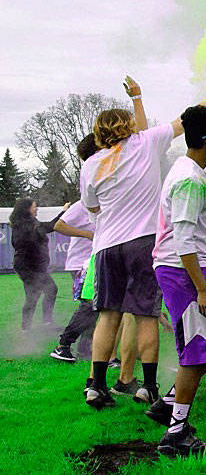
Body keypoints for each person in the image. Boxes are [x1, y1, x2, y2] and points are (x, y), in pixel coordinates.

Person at [81, 76, 184, 409]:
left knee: (107, 316)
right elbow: (183, 123)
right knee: (146, 316)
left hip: (107, 245)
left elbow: (92, 206)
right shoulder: (146, 142)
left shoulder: (91, 165)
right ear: (128, 127)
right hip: (143, 242)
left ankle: (96, 386)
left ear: (99, 133)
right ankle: (148, 387)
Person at [147, 104, 206, 456]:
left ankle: (170, 401)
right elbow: (182, 240)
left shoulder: (193, 174)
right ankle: (177, 433)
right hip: (183, 271)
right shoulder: (187, 179)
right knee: (197, 350)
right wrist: (201, 288)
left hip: (198, 269)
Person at [50, 134, 103, 362]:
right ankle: (63, 344)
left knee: (97, 306)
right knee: (90, 304)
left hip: (92, 261)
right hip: (81, 263)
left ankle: (86, 349)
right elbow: (58, 225)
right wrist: (88, 234)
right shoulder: (84, 204)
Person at [9, 198, 73, 329]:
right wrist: (64, 212)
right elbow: (50, 227)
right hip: (30, 267)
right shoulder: (28, 225)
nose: (36, 209)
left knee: (34, 295)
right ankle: (45, 323)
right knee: (48, 290)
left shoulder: (24, 223)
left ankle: (27, 327)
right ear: (27, 209)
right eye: (34, 207)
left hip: (29, 266)